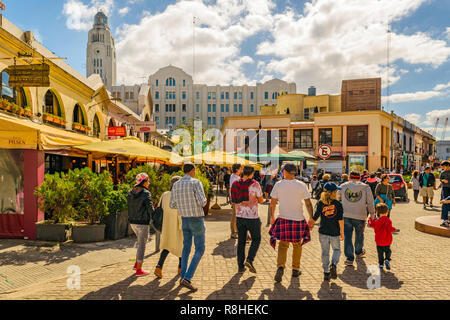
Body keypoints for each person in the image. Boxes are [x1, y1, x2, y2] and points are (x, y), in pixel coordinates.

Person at [269, 163, 314, 282]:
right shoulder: (301, 185)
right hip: (298, 219)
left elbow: (272, 203)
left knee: (283, 245)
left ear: (285, 172)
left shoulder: (278, 185)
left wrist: (272, 217)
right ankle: (295, 269)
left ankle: (280, 267)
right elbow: (308, 203)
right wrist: (311, 218)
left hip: (283, 218)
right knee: (297, 245)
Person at [170, 163, 207, 292]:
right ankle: (187, 277)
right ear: (192, 170)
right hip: (196, 219)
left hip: (184, 219)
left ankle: (183, 277)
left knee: (186, 248)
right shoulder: (196, 183)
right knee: (200, 249)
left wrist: (183, 206)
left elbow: (172, 204)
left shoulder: (176, 184)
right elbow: (202, 202)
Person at [231, 165, 264, 273]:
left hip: (240, 216)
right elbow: (260, 200)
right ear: (252, 173)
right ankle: (249, 259)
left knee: (241, 242)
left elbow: (233, 199)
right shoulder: (255, 184)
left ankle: (240, 267)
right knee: (256, 239)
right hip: (252, 217)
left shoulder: (236, 183)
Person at [309, 182, 344, 281]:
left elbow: (315, 217)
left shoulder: (320, 203)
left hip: (323, 231)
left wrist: (310, 225)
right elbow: (340, 220)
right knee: (337, 250)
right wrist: (342, 232)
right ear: (334, 192)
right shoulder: (338, 204)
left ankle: (326, 272)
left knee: (325, 252)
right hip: (335, 232)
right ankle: (333, 264)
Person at [339, 171, 375, 267]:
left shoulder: (342, 186)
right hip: (360, 215)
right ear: (359, 178)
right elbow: (370, 202)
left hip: (346, 214)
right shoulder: (366, 187)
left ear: (350, 177)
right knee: (359, 234)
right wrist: (372, 214)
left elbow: (338, 199)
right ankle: (358, 252)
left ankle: (349, 258)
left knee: (347, 236)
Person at [154, 176, 183, 279]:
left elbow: (159, 208)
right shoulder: (179, 196)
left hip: (166, 225)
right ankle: (181, 269)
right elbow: (180, 213)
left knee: (166, 246)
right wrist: (182, 226)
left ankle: (159, 267)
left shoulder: (165, 194)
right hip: (177, 226)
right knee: (182, 247)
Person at [127, 173, 154, 277]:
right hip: (143, 223)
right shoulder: (146, 193)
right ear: (144, 181)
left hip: (132, 222)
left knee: (139, 242)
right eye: (148, 180)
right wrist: (155, 216)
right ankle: (139, 270)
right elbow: (150, 208)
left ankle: (136, 264)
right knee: (142, 245)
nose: (149, 182)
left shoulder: (131, 192)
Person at [368, 203, 397, 270]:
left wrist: (370, 219)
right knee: (388, 251)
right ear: (387, 212)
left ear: (378, 212)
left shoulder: (376, 220)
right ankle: (387, 259)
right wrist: (394, 229)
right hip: (387, 240)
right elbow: (389, 228)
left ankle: (381, 264)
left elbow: (371, 224)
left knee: (380, 253)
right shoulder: (388, 220)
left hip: (378, 240)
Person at [229, 164, 243, 239]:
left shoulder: (237, 177)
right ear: (237, 169)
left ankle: (236, 231)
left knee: (237, 216)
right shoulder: (233, 177)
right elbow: (231, 188)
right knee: (234, 216)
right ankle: (233, 232)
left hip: (238, 198)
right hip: (236, 199)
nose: (242, 170)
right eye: (241, 168)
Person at [439, 161, 450, 227]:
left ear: (448, 165)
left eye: (444, 166)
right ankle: (445, 220)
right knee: (445, 202)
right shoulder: (442, 172)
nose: (443, 168)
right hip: (445, 188)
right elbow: (440, 179)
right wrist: (443, 180)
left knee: (447, 202)